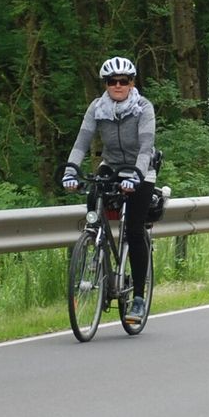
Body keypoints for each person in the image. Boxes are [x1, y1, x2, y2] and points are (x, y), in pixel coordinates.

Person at [62, 56, 157, 323]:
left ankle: (138, 298)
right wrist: (71, 170)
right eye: (112, 82)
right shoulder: (96, 108)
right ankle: (97, 243)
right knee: (93, 199)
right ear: (105, 84)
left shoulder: (143, 108)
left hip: (141, 168)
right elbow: (82, 142)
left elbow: (146, 147)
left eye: (123, 81)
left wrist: (137, 175)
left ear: (131, 82)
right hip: (112, 165)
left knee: (135, 230)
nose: (117, 86)